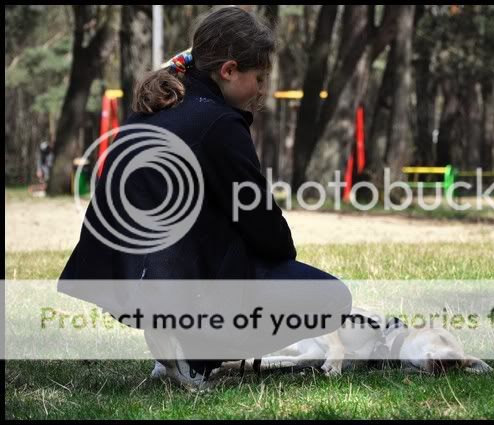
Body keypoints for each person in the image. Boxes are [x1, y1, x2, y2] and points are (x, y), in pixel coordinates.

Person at [58, 6, 352, 389]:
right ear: (228, 70)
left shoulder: (155, 107)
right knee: (331, 298)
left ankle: (176, 344)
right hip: (169, 281)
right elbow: (260, 218)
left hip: (119, 276)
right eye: (259, 78)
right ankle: (193, 354)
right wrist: (280, 260)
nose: (261, 90)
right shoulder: (219, 123)